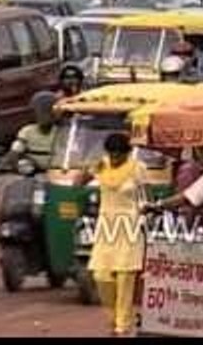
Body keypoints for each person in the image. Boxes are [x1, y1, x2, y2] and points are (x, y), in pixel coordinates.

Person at [79, 133, 148, 336]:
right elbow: (78, 182)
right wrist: (87, 170)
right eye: (113, 154)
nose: (116, 158)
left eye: (120, 154)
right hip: (106, 226)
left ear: (127, 153)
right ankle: (113, 317)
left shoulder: (138, 168)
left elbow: (145, 195)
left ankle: (122, 326)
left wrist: (146, 212)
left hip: (129, 226)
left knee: (125, 276)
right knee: (101, 275)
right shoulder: (102, 164)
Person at [0, 91, 59, 173]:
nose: (44, 116)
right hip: (32, 165)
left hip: (57, 165)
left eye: (48, 112)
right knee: (24, 164)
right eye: (40, 112)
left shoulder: (61, 131)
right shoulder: (27, 131)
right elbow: (15, 151)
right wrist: (4, 164)